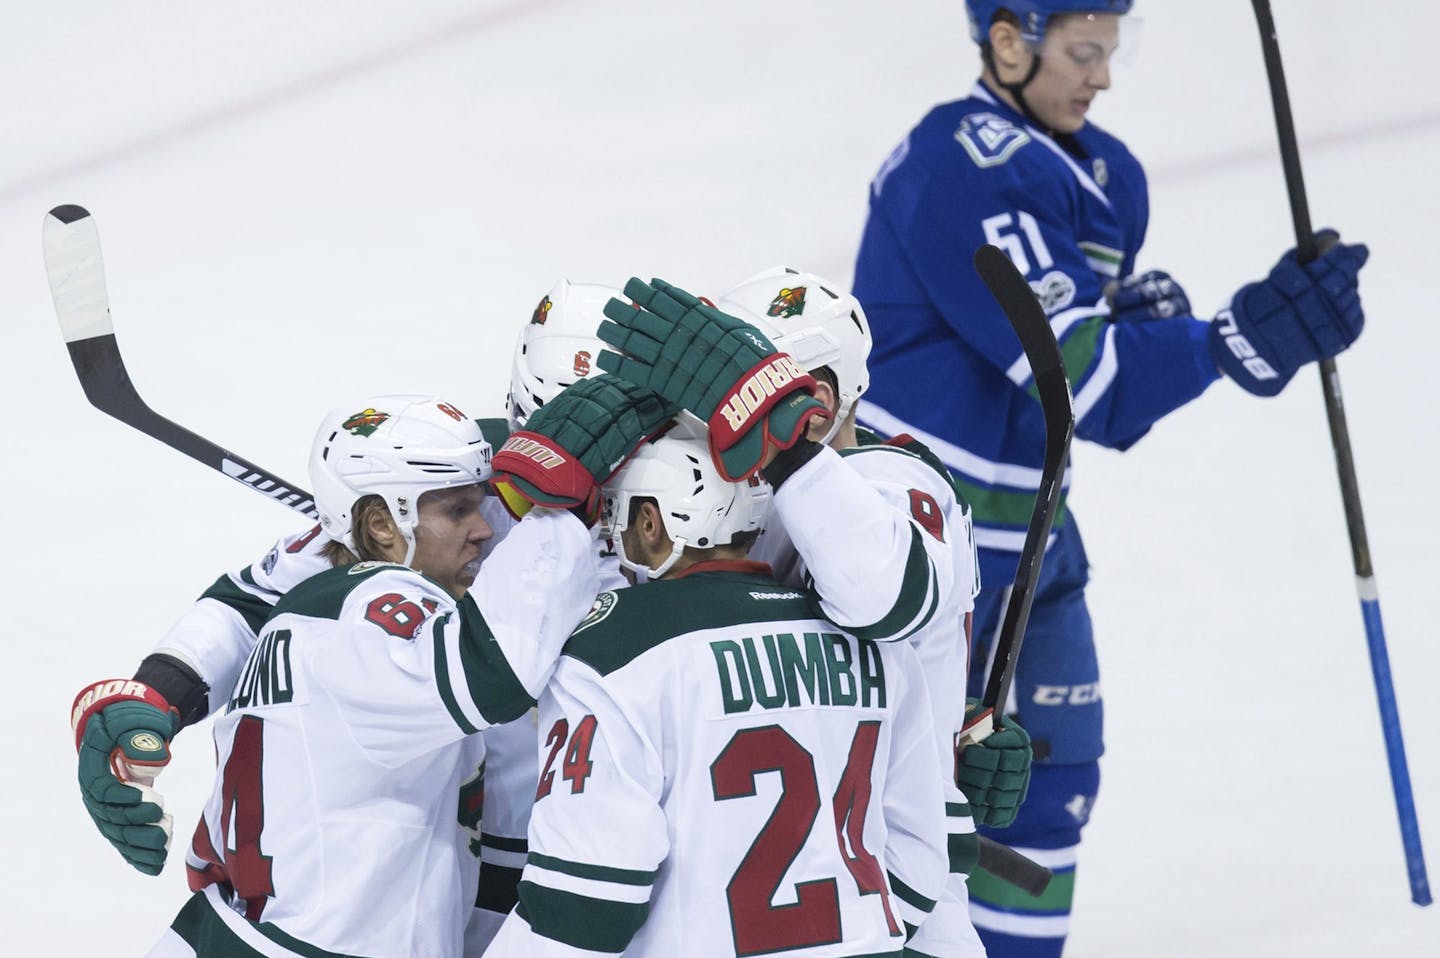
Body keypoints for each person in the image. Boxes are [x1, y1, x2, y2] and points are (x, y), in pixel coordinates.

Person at [850, 2, 1370, 954]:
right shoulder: (956, 162)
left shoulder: (1106, 173)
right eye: (1082, 52)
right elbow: (1087, 382)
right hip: (920, 558)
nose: (1102, 76)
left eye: (1110, 52)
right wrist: (1232, 342)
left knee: (1050, 797)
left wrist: (1137, 319)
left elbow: (1073, 356)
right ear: (1008, 43)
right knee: (915, 818)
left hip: (1037, 540)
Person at [73, 383, 674, 957]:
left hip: (245, 923)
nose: (486, 529)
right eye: (462, 509)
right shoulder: (373, 614)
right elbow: (493, 669)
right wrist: (562, 511)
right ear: (382, 524)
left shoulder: (323, 607)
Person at [483, 429, 951, 956]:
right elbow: (919, 869)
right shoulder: (880, 647)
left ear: (651, 522)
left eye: (617, 516)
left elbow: (587, 911)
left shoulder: (609, 651)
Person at [720, 266, 1034, 958]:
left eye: (746, 393)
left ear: (819, 401)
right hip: (817, 890)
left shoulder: (888, 487)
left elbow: (879, 595)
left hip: (895, 904)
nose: (721, 420)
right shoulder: (794, 494)